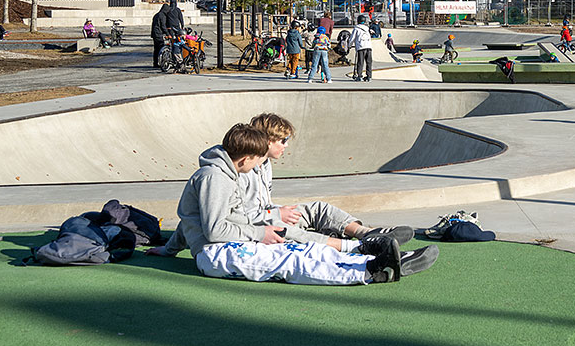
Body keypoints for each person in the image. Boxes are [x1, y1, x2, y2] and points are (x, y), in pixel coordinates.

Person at [147, 124, 432, 284]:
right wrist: (261, 233)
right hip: (216, 255)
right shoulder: (216, 178)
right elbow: (213, 230)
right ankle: (370, 271)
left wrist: (169, 249)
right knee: (289, 262)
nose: (260, 165)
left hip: (231, 245)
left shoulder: (221, 174)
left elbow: (189, 221)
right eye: (258, 160)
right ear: (245, 158)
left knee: (301, 249)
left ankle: (371, 255)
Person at [245, 113, 421, 251]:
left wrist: (280, 211)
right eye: (283, 140)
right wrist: (276, 214)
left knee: (316, 209)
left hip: (268, 214)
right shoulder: (244, 169)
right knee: (285, 228)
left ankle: (366, 233)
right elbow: (243, 217)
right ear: (268, 141)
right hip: (256, 226)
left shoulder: (265, 165)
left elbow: (264, 205)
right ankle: (355, 247)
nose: (286, 145)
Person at [349, 16, 373, 81]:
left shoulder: (356, 29)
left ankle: (359, 76)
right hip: (369, 47)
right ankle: (369, 76)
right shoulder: (367, 28)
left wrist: (349, 45)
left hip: (361, 47)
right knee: (369, 62)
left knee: (360, 62)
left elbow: (352, 38)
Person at [150, 2, 171, 68]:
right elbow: (163, 26)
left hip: (154, 34)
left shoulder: (156, 15)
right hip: (158, 34)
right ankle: (161, 63)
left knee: (156, 49)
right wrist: (168, 34)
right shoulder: (162, 16)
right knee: (161, 48)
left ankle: (155, 63)